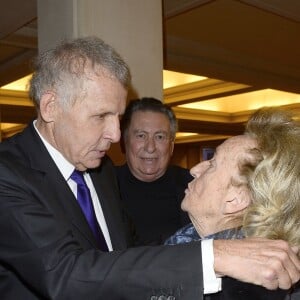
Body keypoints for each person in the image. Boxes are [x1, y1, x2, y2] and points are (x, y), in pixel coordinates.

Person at [0, 36, 299, 299]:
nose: (116, 135)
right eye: (101, 116)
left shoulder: (99, 168)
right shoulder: (8, 173)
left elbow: (127, 252)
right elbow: (63, 274)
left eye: (117, 117)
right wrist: (212, 254)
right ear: (51, 106)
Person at [165, 107, 300, 299]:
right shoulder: (185, 243)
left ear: (235, 200)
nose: (194, 169)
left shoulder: (238, 291)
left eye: (212, 163)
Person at [116, 97, 192, 246]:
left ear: (171, 146)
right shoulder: (104, 187)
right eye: (141, 136)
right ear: (124, 142)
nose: (150, 147)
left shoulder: (193, 186)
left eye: (160, 137)